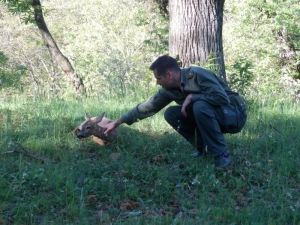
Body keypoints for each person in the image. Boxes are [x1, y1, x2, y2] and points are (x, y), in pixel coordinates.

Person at [104, 55, 247, 169]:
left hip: (234, 115)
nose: (157, 83)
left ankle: (221, 155)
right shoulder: (169, 91)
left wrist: (193, 97)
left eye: (159, 79)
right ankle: (205, 149)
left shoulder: (197, 75)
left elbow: (223, 99)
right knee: (171, 113)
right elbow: (146, 107)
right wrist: (117, 122)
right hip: (213, 115)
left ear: (169, 74)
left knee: (200, 106)